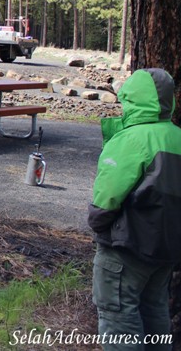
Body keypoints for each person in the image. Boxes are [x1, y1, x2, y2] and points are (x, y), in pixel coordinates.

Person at [88, 68, 181, 349]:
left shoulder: (132, 139)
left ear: (132, 98)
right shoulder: (176, 136)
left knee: (118, 316)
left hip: (127, 247)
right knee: (154, 310)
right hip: (166, 249)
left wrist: (98, 222)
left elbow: (106, 198)